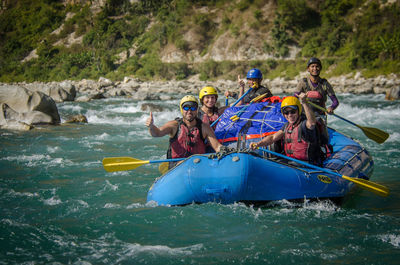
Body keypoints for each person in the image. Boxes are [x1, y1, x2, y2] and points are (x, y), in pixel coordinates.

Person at [145, 95, 223, 168]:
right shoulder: (174, 126)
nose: (189, 111)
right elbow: (157, 133)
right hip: (177, 166)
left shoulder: (204, 127)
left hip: (199, 165)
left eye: (193, 108)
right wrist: (151, 126)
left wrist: (227, 150)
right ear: (182, 109)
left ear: (197, 110)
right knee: (184, 163)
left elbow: (217, 147)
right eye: (186, 108)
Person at [250, 94, 325, 166]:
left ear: (298, 111)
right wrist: (258, 144)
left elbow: (312, 123)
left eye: (293, 111)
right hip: (291, 162)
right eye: (286, 112)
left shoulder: (304, 125)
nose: (290, 115)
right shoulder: (286, 126)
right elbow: (273, 138)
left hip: (306, 165)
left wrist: (304, 102)